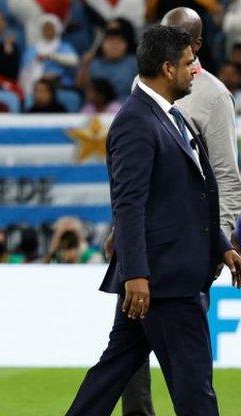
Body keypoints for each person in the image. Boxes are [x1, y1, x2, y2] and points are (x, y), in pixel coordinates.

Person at [66, 25, 241, 416]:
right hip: (165, 281)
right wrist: (137, 275)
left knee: (111, 374)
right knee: (196, 390)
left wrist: (222, 246)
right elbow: (129, 204)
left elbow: (186, 201)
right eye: (188, 63)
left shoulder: (170, 117)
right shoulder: (136, 121)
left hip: (160, 275)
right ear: (166, 68)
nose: (195, 70)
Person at [119, 7, 241, 415]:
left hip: (188, 249)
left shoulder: (213, 96)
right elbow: (135, 179)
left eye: (176, 37)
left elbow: (225, 176)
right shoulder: (149, 82)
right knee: (126, 357)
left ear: (197, 46)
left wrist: (215, 244)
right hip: (142, 243)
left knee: (186, 363)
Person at [77, 26, 138, 101]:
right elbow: (81, 86)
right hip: (98, 107)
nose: (114, 46)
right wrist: (85, 66)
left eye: (119, 42)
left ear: (126, 45)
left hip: (126, 105)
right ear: (102, 44)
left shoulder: (134, 63)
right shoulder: (93, 63)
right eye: (110, 41)